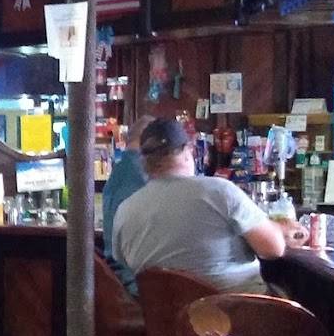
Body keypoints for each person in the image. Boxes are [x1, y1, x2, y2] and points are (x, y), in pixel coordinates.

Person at [112, 117, 305, 293]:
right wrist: (281, 230)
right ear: (187, 152)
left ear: (144, 161)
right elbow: (273, 249)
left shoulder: (125, 210)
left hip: (166, 317)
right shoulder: (219, 191)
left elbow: (123, 260)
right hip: (234, 313)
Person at [101, 113, 155, 295]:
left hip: (118, 277)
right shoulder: (141, 174)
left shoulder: (120, 170)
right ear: (151, 143)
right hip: (135, 283)